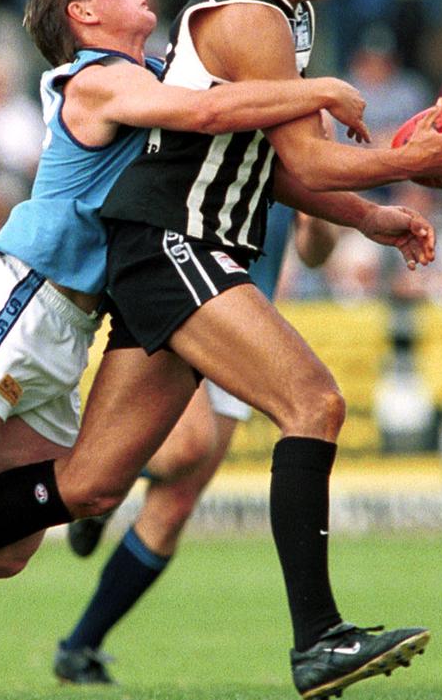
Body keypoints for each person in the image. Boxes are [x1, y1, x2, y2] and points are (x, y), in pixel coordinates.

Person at [0, 0, 442, 699]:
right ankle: (319, 638)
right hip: (44, 288)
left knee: (71, 501)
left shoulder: (170, 66)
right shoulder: (109, 73)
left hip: (88, 303)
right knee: (314, 402)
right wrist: (384, 142)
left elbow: (253, 152)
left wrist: (371, 215)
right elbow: (227, 120)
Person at [0, 0, 376, 582]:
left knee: (9, 551)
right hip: (21, 302)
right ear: (84, 15)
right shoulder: (97, 79)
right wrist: (318, 88)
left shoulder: (153, 78)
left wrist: (372, 216)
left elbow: (262, 166)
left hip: (67, 331)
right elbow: (213, 117)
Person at [54, 201, 340, 684]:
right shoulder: (229, 126)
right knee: (189, 445)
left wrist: (318, 215)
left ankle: (80, 646)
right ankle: (106, 477)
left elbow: (314, 255)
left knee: (177, 504)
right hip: (183, 298)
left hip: (251, 325)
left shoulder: (305, 137)